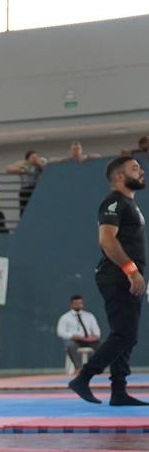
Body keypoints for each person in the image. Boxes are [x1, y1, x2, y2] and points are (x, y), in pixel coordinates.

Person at [69, 156, 148, 407]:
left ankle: (119, 391)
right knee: (124, 334)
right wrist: (131, 270)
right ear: (118, 177)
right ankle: (83, 378)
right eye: (135, 168)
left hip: (127, 276)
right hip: (117, 276)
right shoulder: (114, 200)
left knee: (127, 334)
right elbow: (107, 240)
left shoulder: (128, 204)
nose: (142, 171)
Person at [57, 295, 101, 372]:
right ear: (71, 304)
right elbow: (60, 332)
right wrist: (72, 336)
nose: (78, 305)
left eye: (80, 303)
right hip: (74, 340)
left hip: (88, 340)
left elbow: (96, 330)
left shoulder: (89, 316)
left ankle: (96, 367)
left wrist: (94, 336)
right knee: (70, 345)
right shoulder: (65, 317)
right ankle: (79, 367)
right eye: (76, 303)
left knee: (102, 345)